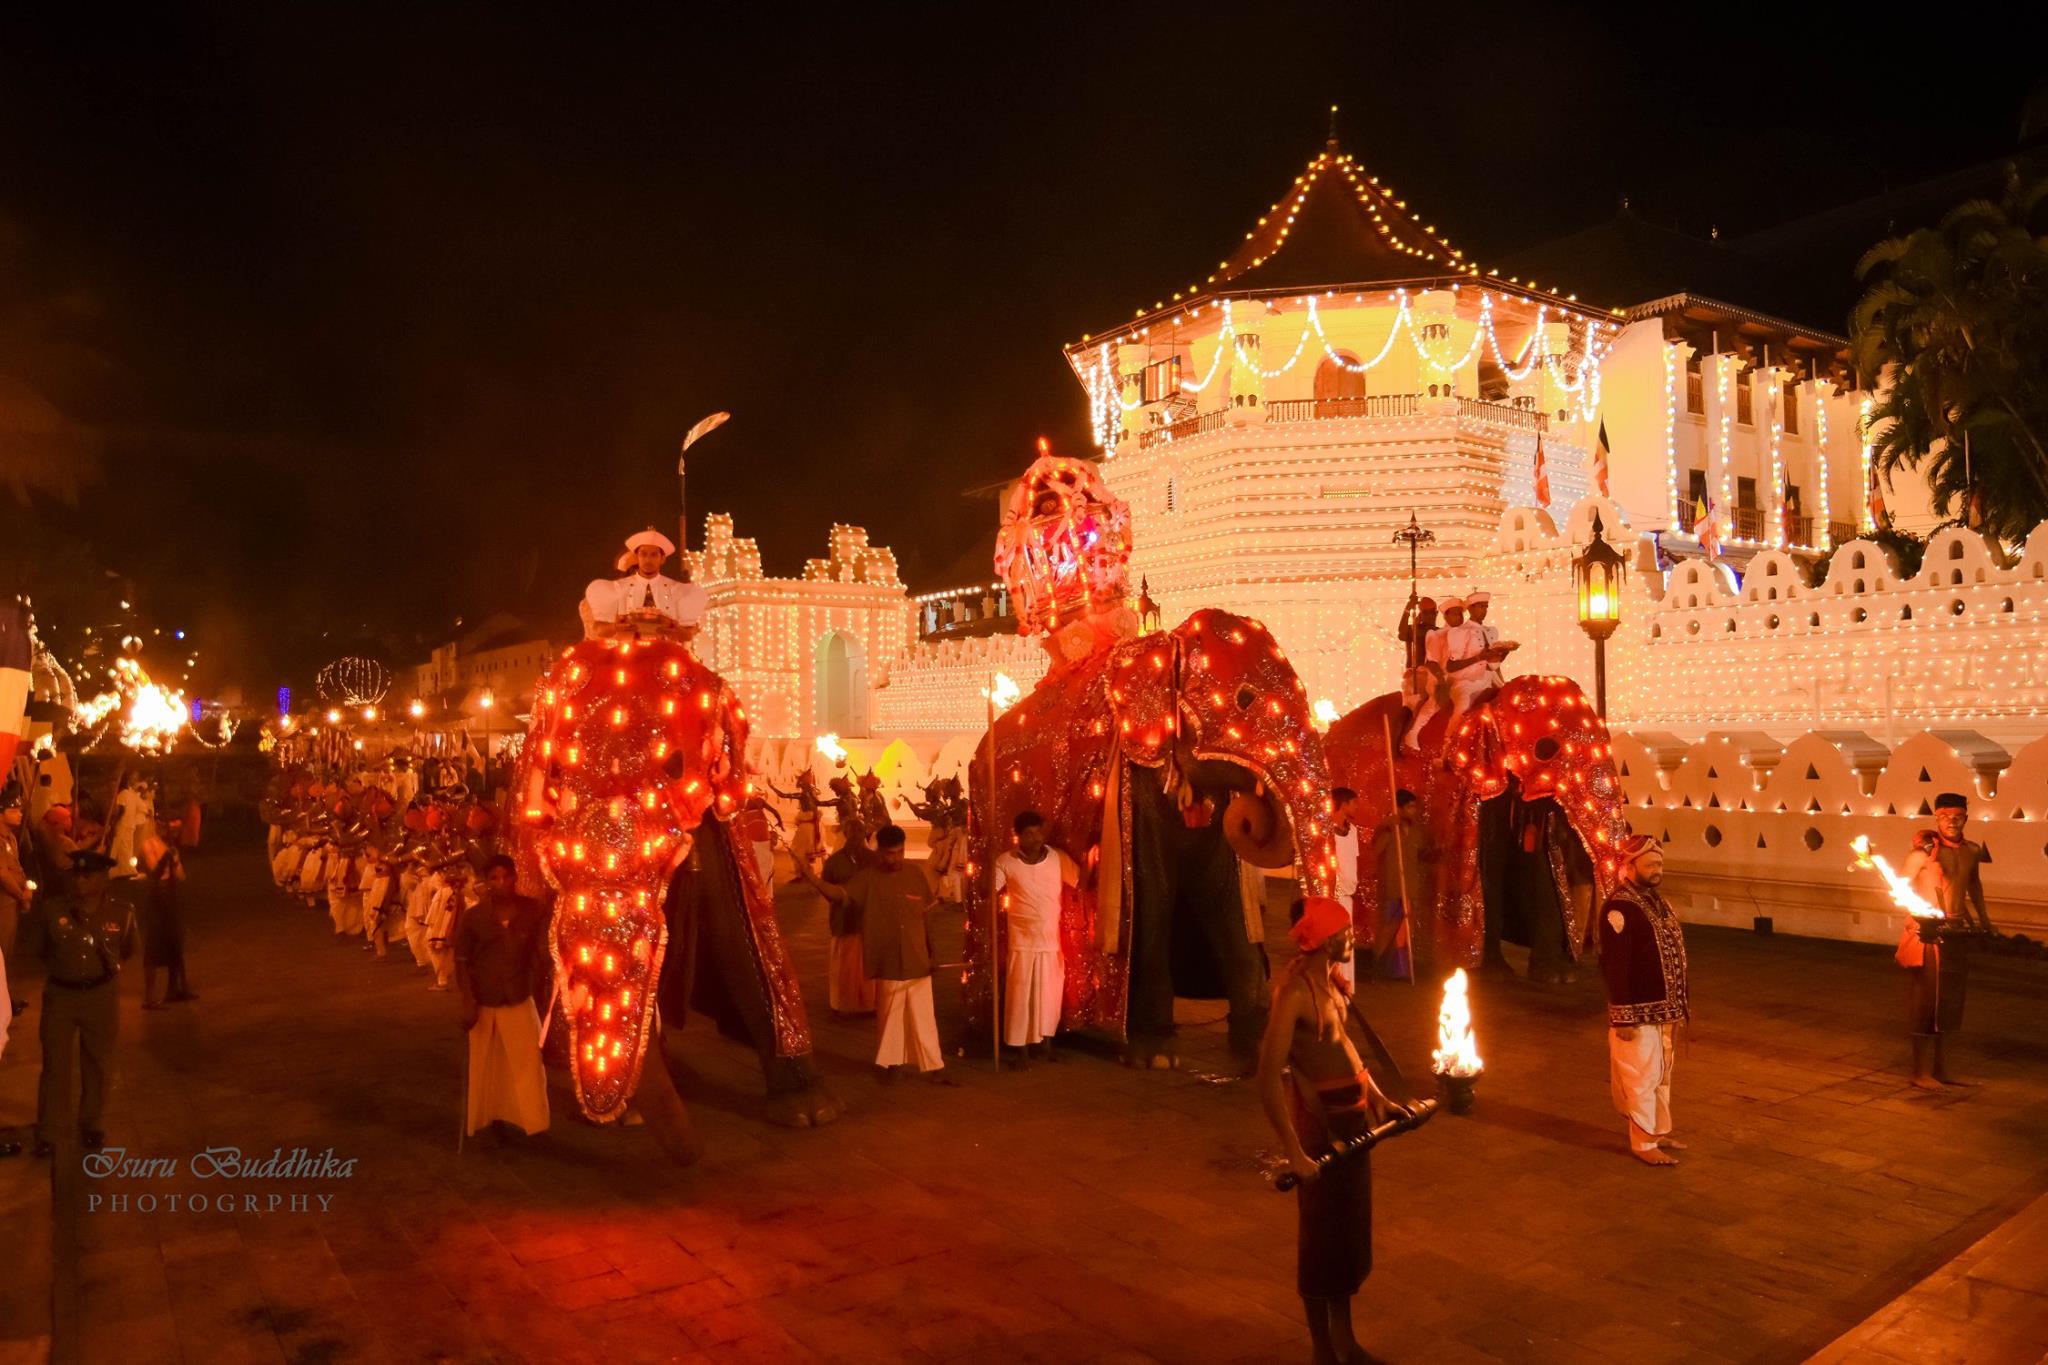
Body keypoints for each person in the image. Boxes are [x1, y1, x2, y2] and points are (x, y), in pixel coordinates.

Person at [1256, 897, 1409, 1364]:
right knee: (1320, 1242)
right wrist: (1295, 1151)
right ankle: (1323, 1348)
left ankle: (1346, 1340)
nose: (1351, 941)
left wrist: (1378, 1098)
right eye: (1343, 935)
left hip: (1353, 1122)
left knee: (1347, 1238)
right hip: (1319, 1128)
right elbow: (1267, 1075)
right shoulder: (1296, 993)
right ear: (1322, 941)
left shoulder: (1334, 982)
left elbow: (1348, 1050)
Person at [796, 825, 952, 1083]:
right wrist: (811, 878)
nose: (896, 859)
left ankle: (934, 1066)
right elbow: (839, 895)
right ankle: (891, 1064)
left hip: (917, 958)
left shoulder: (915, 873)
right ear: (879, 853)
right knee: (890, 1015)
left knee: (924, 1015)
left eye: (900, 852)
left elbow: (925, 917)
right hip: (888, 959)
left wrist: (932, 953)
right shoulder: (867, 878)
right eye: (890, 854)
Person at [21, 850, 135, 1155]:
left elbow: (127, 949)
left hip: (100, 995)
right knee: (55, 1064)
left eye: (89, 875)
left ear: (104, 878)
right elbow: (43, 950)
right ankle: (50, 1129)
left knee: (98, 1061)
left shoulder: (122, 913)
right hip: (61, 995)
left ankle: (92, 1123)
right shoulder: (52, 910)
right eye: (77, 874)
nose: (80, 880)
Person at [1599, 835, 1689, 1166]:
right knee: (1641, 1075)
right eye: (1650, 864)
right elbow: (1615, 963)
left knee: (1661, 1074)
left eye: (1659, 864)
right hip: (1636, 1014)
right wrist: (1623, 1016)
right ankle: (1642, 1144)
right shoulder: (1620, 907)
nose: (1656, 870)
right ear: (1629, 866)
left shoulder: (1655, 901)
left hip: (1664, 1013)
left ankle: (1655, 1132)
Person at [1896, 794, 1995, 1087]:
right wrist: (1922, 915)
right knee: (1925, 1001)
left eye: (1958, 817)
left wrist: (1984, 920)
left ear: (1966, 818)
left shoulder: (1972, 851)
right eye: (1945, 816)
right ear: (1937, 818)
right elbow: (1901, 889)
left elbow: (1974, 884)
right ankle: (1918, 1071)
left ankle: (1941, 1068)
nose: (1952, 822)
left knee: (1950, 1002)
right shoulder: (1921, 855)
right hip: (1927, 934)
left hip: (1956, 933)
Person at [454, 855, 552, 1142]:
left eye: (506, 876)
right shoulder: (474, 918)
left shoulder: (533, 911)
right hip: (485, 999)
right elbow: (461, 960)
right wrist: (468, 1001)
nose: (501, 883)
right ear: (485, 882)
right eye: (494, 878)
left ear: (515, 878)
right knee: (488, 1064)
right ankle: (492, 1118)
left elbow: (541, 954)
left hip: (519, 996)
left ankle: (532, 1121)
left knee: (528, 1064)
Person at [993, 810, 1074, 1066]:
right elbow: (987, 890)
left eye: (1038, 832)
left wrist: (1095, 859)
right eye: (1029, 834)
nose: (1036, 838)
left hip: (1051, 941)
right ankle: (1020, 1050)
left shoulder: (1058, 859)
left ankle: (1045, 1045)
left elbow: (1080, 880)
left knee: (1048, 996)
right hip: (1022, 942)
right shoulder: (1005, 862)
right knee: (1020, 997)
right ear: (1017, 837)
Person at [583, 528, 708, 640]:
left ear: (662, 559)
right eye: (643, 554)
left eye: (654, 555)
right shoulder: (618, 588)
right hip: (627, 656)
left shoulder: (676, 590)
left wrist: (676, 630)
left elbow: (687, 636)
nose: (648, 560)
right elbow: (601, 631)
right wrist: (616, 627)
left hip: (666, 656)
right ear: (637, 557)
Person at [1369, 789, 1436, 981]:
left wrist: (1436, 853)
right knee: (1388, 929)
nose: (1414, 811)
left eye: (1415, 807)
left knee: (1405, 930)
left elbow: (1420, 856)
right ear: (1399, 808)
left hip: (1410, 888)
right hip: (1391, 887)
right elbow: (1376, 849)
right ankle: (1377, 967)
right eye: (1410, 807)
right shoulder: (1386, 828)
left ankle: (1398, 971)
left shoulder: (1416, 831)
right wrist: (1389, 829)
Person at [817, 819, 877, 1015]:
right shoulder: (834, 862)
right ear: (846, 833)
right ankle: (845, 1004)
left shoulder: (873, 859)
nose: (856, 835)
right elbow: (827, 892)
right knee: (845, 968)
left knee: (867, 967)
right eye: (852, 831)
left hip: (868, 922)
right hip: (844, 922)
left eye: (860, 830)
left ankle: (869, 1004)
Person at [1401, 596, 1462, 753]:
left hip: (1434, 674)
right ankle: (1403, 739)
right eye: (1427, 613)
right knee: (1411, 708)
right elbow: (1402, 634)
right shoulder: (1415, 630)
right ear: (1420, 614)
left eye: (1434, 613)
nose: (1432, 616)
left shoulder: (1440, 632)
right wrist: (1408, 608)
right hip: (1415, 675)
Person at [140, 845, 195, 1009]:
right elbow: (154, 874)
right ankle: (149, 997)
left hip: (171, 897)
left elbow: (180, 876)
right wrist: (165, 858)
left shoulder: (173, 848)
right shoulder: (148, 844)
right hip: (156, 898)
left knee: (176, 940)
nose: (174, 826)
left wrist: (175, 861)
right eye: (169, 822)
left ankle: (174, 988)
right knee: (154, 945)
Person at [1327, 788, 1364, 988]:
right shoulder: (1326, 832)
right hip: (1332, 895)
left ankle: (1346, 989)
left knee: (1347, 944)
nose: (1357, 807)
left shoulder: (1354, 832)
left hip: (1347, 896)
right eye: (1354, 803)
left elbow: (1352, 861)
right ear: (1343, 804)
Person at [1, 783, 32, 1008]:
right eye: (14, 810)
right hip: (3, 901)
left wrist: (26, 889)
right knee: (1, 952)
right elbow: (2, 873)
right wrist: (21, 894)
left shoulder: (9, 837)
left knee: (8, 953)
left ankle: (5, 998)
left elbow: (16, 868)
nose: (20, 813)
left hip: (12, 900)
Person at [1463, 590, 1516, 693]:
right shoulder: (1463, 631)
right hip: (1472, 682)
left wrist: (1503, 653)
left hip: (1493, 678)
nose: (1484, 610)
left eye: (1486, 607)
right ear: (1470, 609)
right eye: (1481, 607)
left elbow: (1494, 664)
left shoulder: (1490, 631)